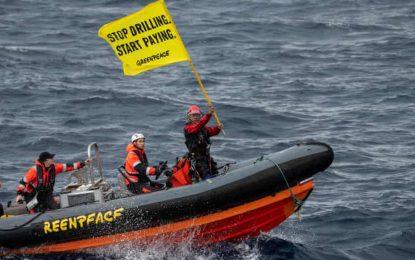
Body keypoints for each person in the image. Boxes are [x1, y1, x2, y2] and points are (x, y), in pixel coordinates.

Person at [16, 152, 89, 214]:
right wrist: (19, 194)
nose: (53, 159)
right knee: (35, 212)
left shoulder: (54, 168)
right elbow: (23, 182)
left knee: (54, 210)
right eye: (51, 158)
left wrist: (83, 163)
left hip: (46, 194)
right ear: (46, 161)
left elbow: (68, 166)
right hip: (33, 196)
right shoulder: (34, 171)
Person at [184, 105, 223, 179]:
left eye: (197, 115)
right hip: (197, 158)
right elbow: (198, 126)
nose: (195, 117)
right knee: (205, 172)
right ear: (189, 117)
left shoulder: (203, 128)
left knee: (214, 170)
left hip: (206, 156)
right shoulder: (188, 128)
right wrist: (208, 114)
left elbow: (212, 131)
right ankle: (208, 182)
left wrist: (218, 128)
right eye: (193, 115)